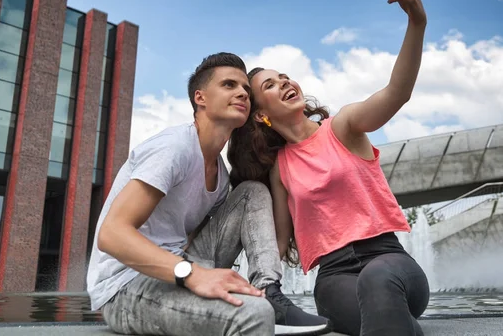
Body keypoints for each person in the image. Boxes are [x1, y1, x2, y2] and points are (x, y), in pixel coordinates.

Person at [228, 0, 430, 336]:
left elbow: (396, 93)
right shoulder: (280, 169)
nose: (285, 82)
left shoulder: (343, 126)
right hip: (334, 276)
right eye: (270, 85)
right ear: (260, 115)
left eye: (284, 75)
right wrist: (253, 286)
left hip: (388, 259)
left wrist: (417, 22)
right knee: (381, 313)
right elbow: (278, 241)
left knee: (378, 282)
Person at [86, 52, 331, 335]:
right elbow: (111, 234)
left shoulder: (220, 173)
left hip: (177, 267)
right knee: (252, 314)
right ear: (200, 98)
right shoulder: (173, 148)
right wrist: (191, 275)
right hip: (126, 286)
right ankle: (263, 307)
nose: (241, 93)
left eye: (245, 90)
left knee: (251, 191)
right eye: (229, 85)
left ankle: (269, 289)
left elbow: (191, 239)